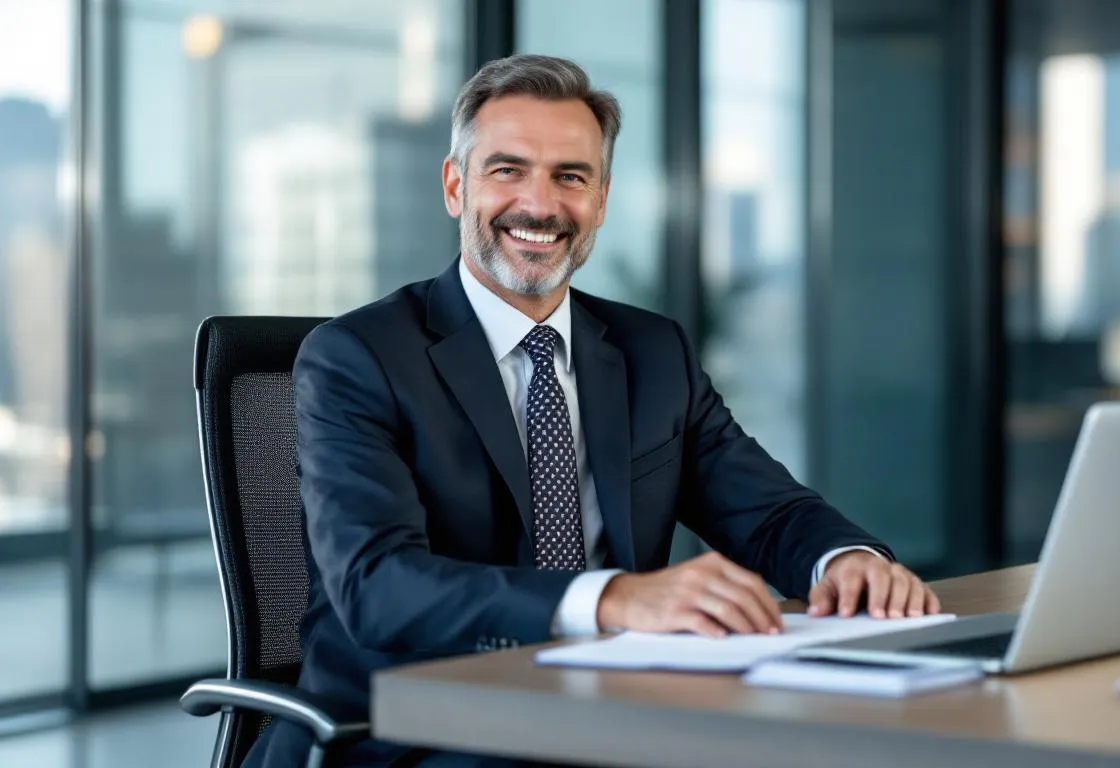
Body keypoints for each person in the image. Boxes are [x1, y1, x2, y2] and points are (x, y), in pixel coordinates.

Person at [244, 54, 940, 768]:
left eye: (570, 177)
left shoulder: (651, 350)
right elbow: (377, 585)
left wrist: (846, 561)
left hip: (615, 711)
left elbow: (768, 512)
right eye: (507, 170)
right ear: (456, 187)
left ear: (601, 201)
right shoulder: (357, 356)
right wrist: (613, 602)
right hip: (407, 732)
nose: (540, 206)